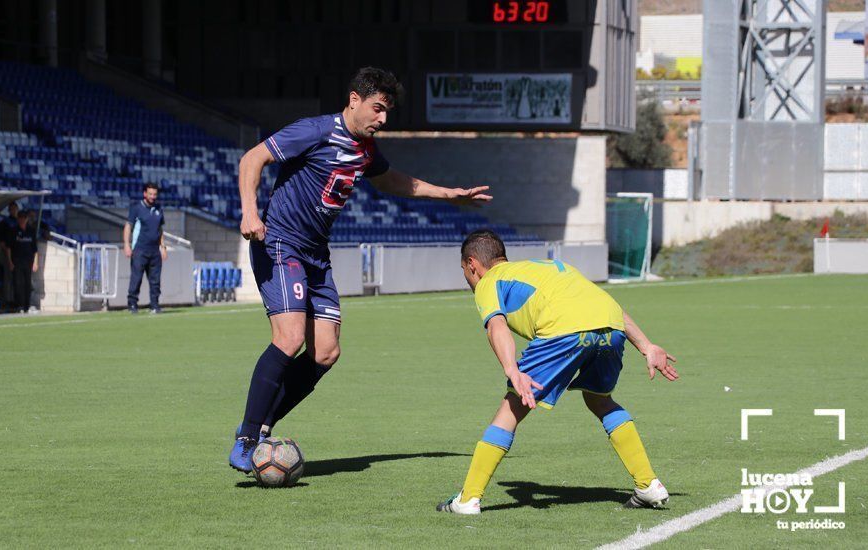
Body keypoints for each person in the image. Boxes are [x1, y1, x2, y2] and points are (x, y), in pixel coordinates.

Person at [229, 67, 493, 472]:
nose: (382, 119)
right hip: (280, 242)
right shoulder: (315, 131)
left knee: (327, 351)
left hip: (316, 254)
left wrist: (447, 194)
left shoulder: (366, 149)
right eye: (378, 108)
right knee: (290, 337)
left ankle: (263, 424)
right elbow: (253, 157)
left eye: (387, 112)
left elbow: (392, 181)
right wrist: (250, 211)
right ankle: (247, 438)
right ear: (354, 100)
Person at [436, 230, 679, 515]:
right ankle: (649, 485)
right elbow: (602, 304)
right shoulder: (550, 267)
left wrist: (512, 370)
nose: (466, 277)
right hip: (611, 328)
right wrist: (646, 345)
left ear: (472, 264)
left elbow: (496, 326)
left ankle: (468, 499)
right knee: (600, 399)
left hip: (564, 330)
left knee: (512, 407)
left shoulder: (490, 281)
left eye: (464, 270)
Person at [124, 183, 167, 314]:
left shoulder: (159, 208)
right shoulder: (136, 208)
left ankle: (154, 305)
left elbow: (160, 229)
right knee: (136, 279)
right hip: (140, 250)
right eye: (150, 194)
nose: (153, 197)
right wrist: (126, 244)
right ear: (145, 194)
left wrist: (163, 247)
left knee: (155, 281)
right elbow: (128, 226)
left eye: (155, 194)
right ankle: (132, 305)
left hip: (155, 251)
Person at [5, 210, 39, 314]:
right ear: (18, 218)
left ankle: (26, 305)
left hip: (28, 261)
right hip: (17, 261)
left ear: (27, 219)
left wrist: (35, 262)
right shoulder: (13, 230)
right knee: (18, 284)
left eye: (24, 218)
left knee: (28, 284)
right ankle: (19, 305)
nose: (22, 220)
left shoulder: (31, 231)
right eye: (20, 217)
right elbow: (8, 248)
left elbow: (35, 249)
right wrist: (10, 261)